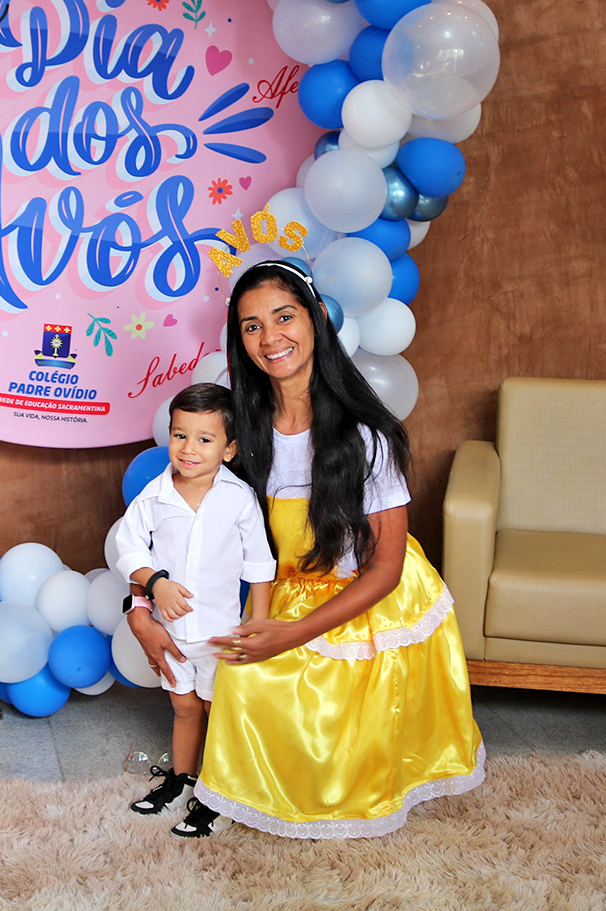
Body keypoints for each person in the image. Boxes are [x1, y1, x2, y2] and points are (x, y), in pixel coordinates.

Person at [127, 258, 485, 838]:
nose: (270, 337)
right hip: (282, 589)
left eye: (284, 316)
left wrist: (290, 635)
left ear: (316, 317)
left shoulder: (365, 436)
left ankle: (275, 785)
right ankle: (218, 781)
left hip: (364, 600)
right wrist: (139, 607)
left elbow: (386, 570)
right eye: (251, 326)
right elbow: (163, 523)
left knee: (276, 692)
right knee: (235, 669)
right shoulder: (236, 431)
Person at [111, 382, 276, 837]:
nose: (188, 448)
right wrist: (155, 583)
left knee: (215, 710)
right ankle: (182, 779)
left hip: (221, 635)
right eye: (180, 435)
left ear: (229, 449)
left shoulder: (238, 498)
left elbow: (259, 562)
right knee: (183, 706)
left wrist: (259, 621)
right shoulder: (155, 495)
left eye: (205, 439)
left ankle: (216, 794)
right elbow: (129, 547)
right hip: (171, 632)